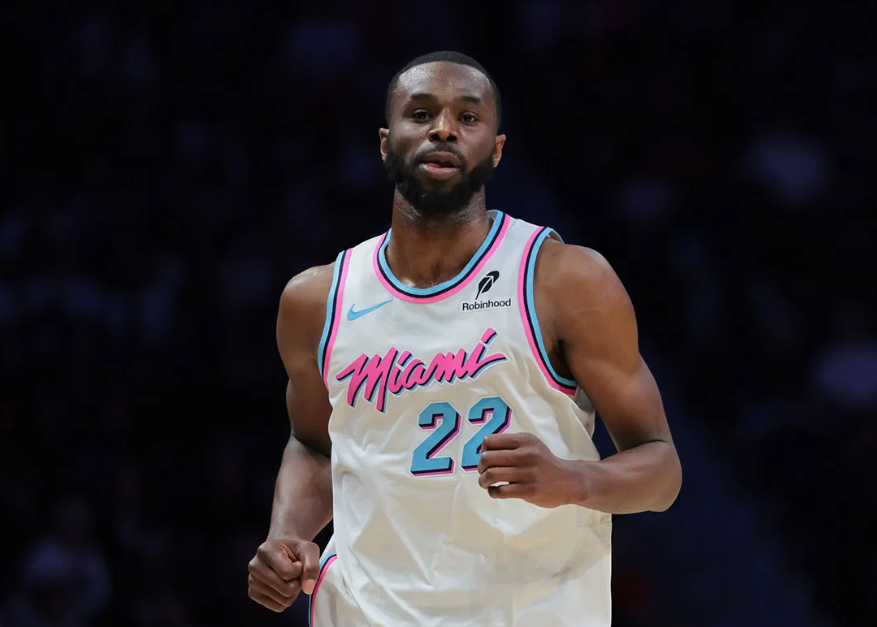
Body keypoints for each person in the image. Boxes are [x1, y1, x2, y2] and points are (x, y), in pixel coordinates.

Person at [247, 51, 682, 626]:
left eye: (468, 117)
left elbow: (661, 469)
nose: (444, 129)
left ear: (496, 151)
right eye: (421, 113)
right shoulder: (316, 300)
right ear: (386, 143)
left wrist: (574, 478)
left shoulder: (563, 279)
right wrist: (286, 535)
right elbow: (314, 444)